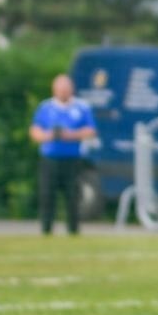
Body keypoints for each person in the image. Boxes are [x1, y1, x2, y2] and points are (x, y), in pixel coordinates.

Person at [30, 74, 95, 236]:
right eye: (60, 89)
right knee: (47, 193)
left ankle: (73, 229)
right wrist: (49, 136)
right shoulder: (45, 107)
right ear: (54, 90)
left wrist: (70, 135)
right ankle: (46, 229)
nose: (63, 92)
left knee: (73, 195)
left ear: (71, 89)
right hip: (50, 158)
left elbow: (91, 130)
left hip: (72, 158)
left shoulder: (81, 107)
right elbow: (35, 131)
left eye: (66, 89)